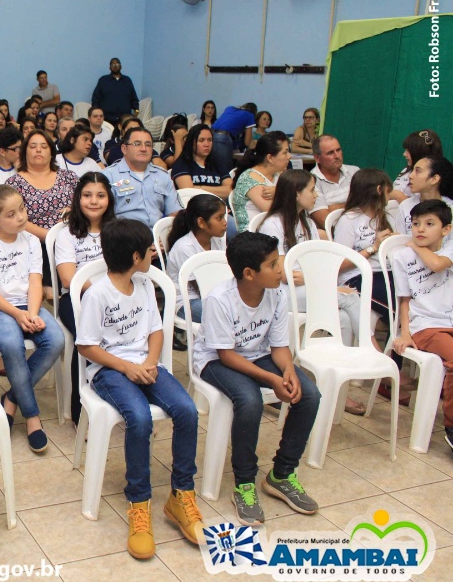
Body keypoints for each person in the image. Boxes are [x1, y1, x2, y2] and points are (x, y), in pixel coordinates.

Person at [76, 219, 202, 558]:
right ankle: (139, 502)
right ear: (135, 256)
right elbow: (86, 347)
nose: (152, 254)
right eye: (149, 250)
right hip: (109, 370)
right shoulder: (98, 293)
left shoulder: (145, 286)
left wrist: (150, 362)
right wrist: (128, 367)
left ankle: (181, 496)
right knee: (140, 419)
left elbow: (156, 331)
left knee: (187, 411)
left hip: (146, 364)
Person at [193, 231, 321, 526]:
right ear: (249, 273)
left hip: (259, 353)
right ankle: (245, 483)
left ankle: (282, 474)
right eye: (274, 265)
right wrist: (271, 379)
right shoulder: (219, 300)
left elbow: (278, 346)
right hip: (215, 360)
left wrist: (288, 371)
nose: (280, 270)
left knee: (309, 394)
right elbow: (226, 355)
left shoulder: (277, 292)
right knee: (249, 400)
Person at [257, 169, 374, 415]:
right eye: (311, 189)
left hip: (306, 288)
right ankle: (370, 350)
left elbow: (309, 268)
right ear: (296, 194)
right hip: (281, 293)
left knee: (343, 317)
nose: (316, 194)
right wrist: (319, 284)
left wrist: (317, 282)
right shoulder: (272, 224)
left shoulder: (307, 223)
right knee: (348, 297)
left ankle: (336, 387)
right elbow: (281, 273)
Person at [0, 185, 65, 453]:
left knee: (55, 340)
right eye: (11, 214)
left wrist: (32, 313)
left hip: (29, 304)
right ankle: (32, 417)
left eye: (22, 209)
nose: (21, 217)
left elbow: (36, 280)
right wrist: (17, 314)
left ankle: (11, 399)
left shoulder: (31, 241)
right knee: (12, 346)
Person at [392, 199, 453, 454]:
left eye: (430, 224)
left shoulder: (449, 248)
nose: (420, 229)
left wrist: (416, 247)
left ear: (446, 229)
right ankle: (451, 427)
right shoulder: (401, 256)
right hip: (426, 327)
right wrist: (405, 333)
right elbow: (404, 300)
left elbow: (437, 264)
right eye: (416, 224)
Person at [54, 172, 114, 425]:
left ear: (109, 199)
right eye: (87, 195)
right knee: (88, 337)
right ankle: (82, 412)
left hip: (114, 299)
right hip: (77, 300)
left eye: (100, 196)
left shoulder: (117, 230)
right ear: (78, 198)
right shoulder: (68, 234)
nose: (94, 201)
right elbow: (68, 278)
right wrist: (100, 294)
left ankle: (117, 399)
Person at [7, 130, 78, 291]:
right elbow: (15, 220)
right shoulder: (14, 183)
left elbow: (83, 205)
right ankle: (51, 292)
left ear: (52, 152)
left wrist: (72, 216)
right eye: (33, 146)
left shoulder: (69, 177)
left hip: (72, 234)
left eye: (44, 146)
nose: (38, 150)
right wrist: (51, 236)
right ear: (25, 152)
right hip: (36, 241)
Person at [331, 168, 396, 319]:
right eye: (388, 191)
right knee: (397, 310)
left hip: (387, 273)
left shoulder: (386, 218)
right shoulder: (348, 220)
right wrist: (373, 248)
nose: (390, 196)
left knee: (412, 300)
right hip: (359, 276)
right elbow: (339, 265)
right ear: (379, 190)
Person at [166, 194, 227, 323]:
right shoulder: (185, 247)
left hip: (214, 296)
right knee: (226, 313)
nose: (225, 222)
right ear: (201, 222)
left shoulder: (218, 240)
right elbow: (201, 287)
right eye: (219, 218)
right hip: (188, 301)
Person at [103, 126, 180, 226]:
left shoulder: (162, 175)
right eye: (137, 144)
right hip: (123, 235)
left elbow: (175, 213)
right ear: (124, 149)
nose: (143, 149)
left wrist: (166, 234)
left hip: (156, 236)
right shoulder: (109, 176)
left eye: (148, 145)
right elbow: (102, 216)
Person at [230, 131, 290, 232]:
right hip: (253, 237)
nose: (289, 156)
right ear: (270, 158)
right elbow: (272, 210)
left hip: (277, 231)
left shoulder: (278, 175)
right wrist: (283, 191)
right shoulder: (250, 178)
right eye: (285, 152)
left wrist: (279, 191)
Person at [308, 134, 360, 228]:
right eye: (330, 153)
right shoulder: (310, 182)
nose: (337, 156)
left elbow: (371, 205)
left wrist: (333, 207)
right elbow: (326, 221)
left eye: (338, 150)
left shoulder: (354, 172)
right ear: (317, 158)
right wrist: (356, 205)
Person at [396, 157, 453, 242]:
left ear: (434, 179)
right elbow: (398, 242)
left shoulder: (451, 207)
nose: (410, 176)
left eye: (418, 171)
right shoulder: (405, 206)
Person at [392, 129, 444, 201]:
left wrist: (398, 196)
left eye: (408, 151)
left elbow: (426, 207)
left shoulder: (433, 181)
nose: (404, 154)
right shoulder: (407, 170)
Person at [209, 103, 256, 178]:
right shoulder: (250, 115)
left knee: (214, 166)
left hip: (211, 135)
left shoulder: (229, 108)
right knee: (226, 171)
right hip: (223, 138)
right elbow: (247, 142)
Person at [91, 58, 139, 125]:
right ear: (109, 67)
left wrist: (136, 111)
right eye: (112, 64)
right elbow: (95, 100)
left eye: (117, 63)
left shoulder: (127, 81)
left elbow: (134, 99)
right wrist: (98, 115)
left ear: (121, 66)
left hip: (124, 120)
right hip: (106, 119)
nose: (115, 65)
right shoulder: (103, 80)